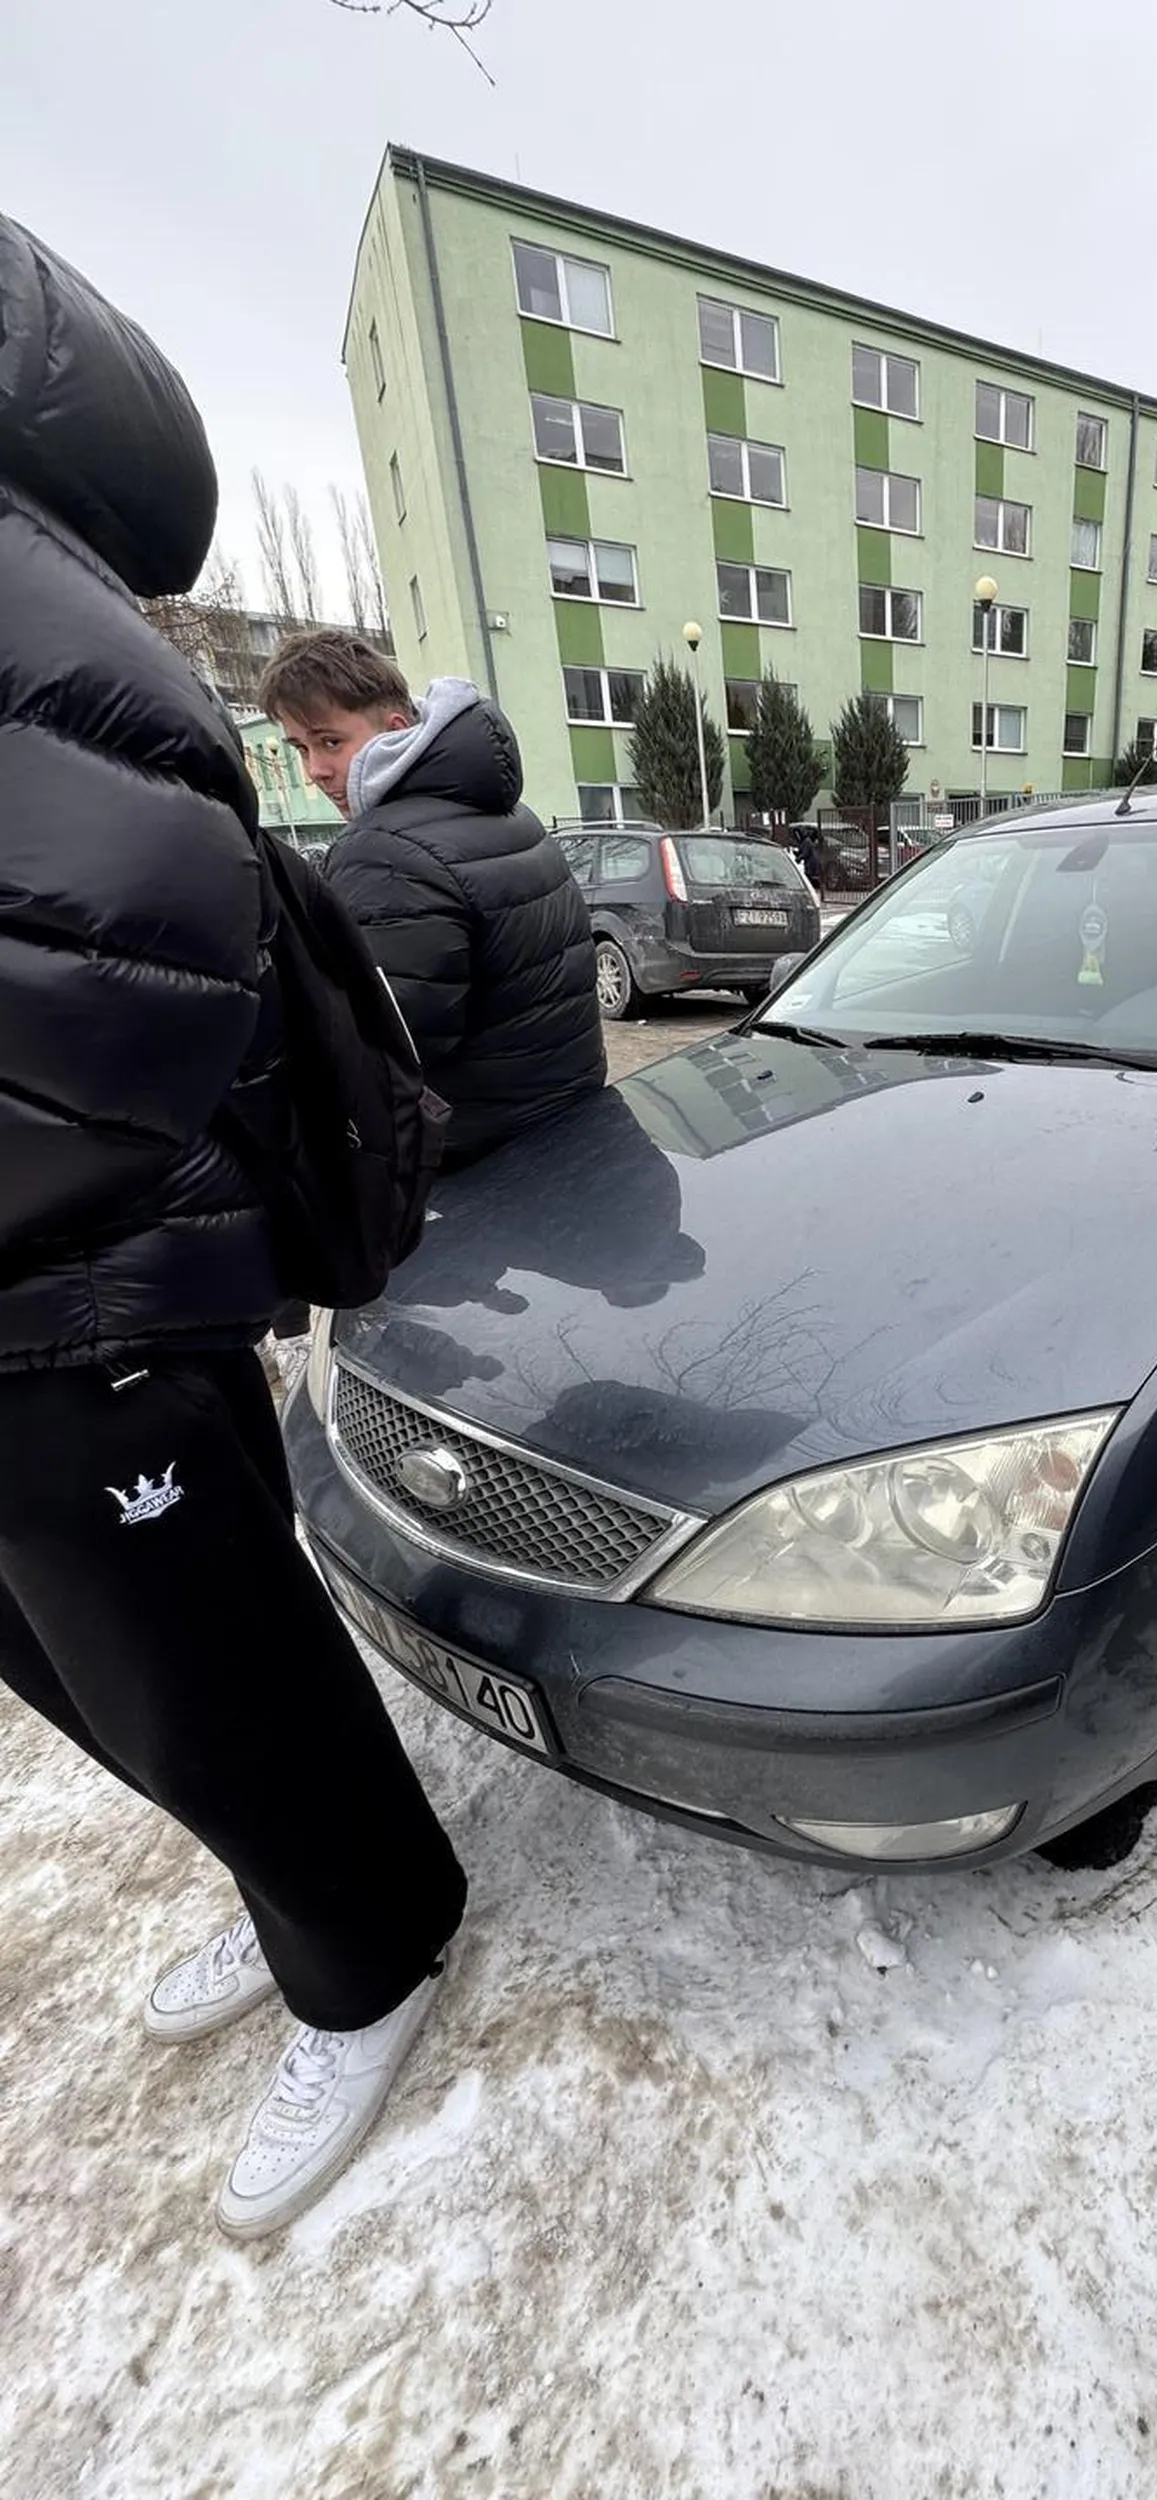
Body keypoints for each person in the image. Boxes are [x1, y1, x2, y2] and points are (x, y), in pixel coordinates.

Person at [0, 216, 466, 2238]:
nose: (309, 763)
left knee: (209, 1675)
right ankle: (292, 1888)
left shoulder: (36, 605)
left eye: (323, 744)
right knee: (113, 1684)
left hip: (85, 1298)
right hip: (56, 1296)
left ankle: (364, 1945)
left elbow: (126, 973)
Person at [259, 632, 605, 1166]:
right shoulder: (512, 815)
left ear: (394, 730)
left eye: (330, 742)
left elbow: (381, 1049)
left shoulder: (384, 851)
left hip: (473, 1169)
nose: (315, 771)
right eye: (301, 748)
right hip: (571, 1136)